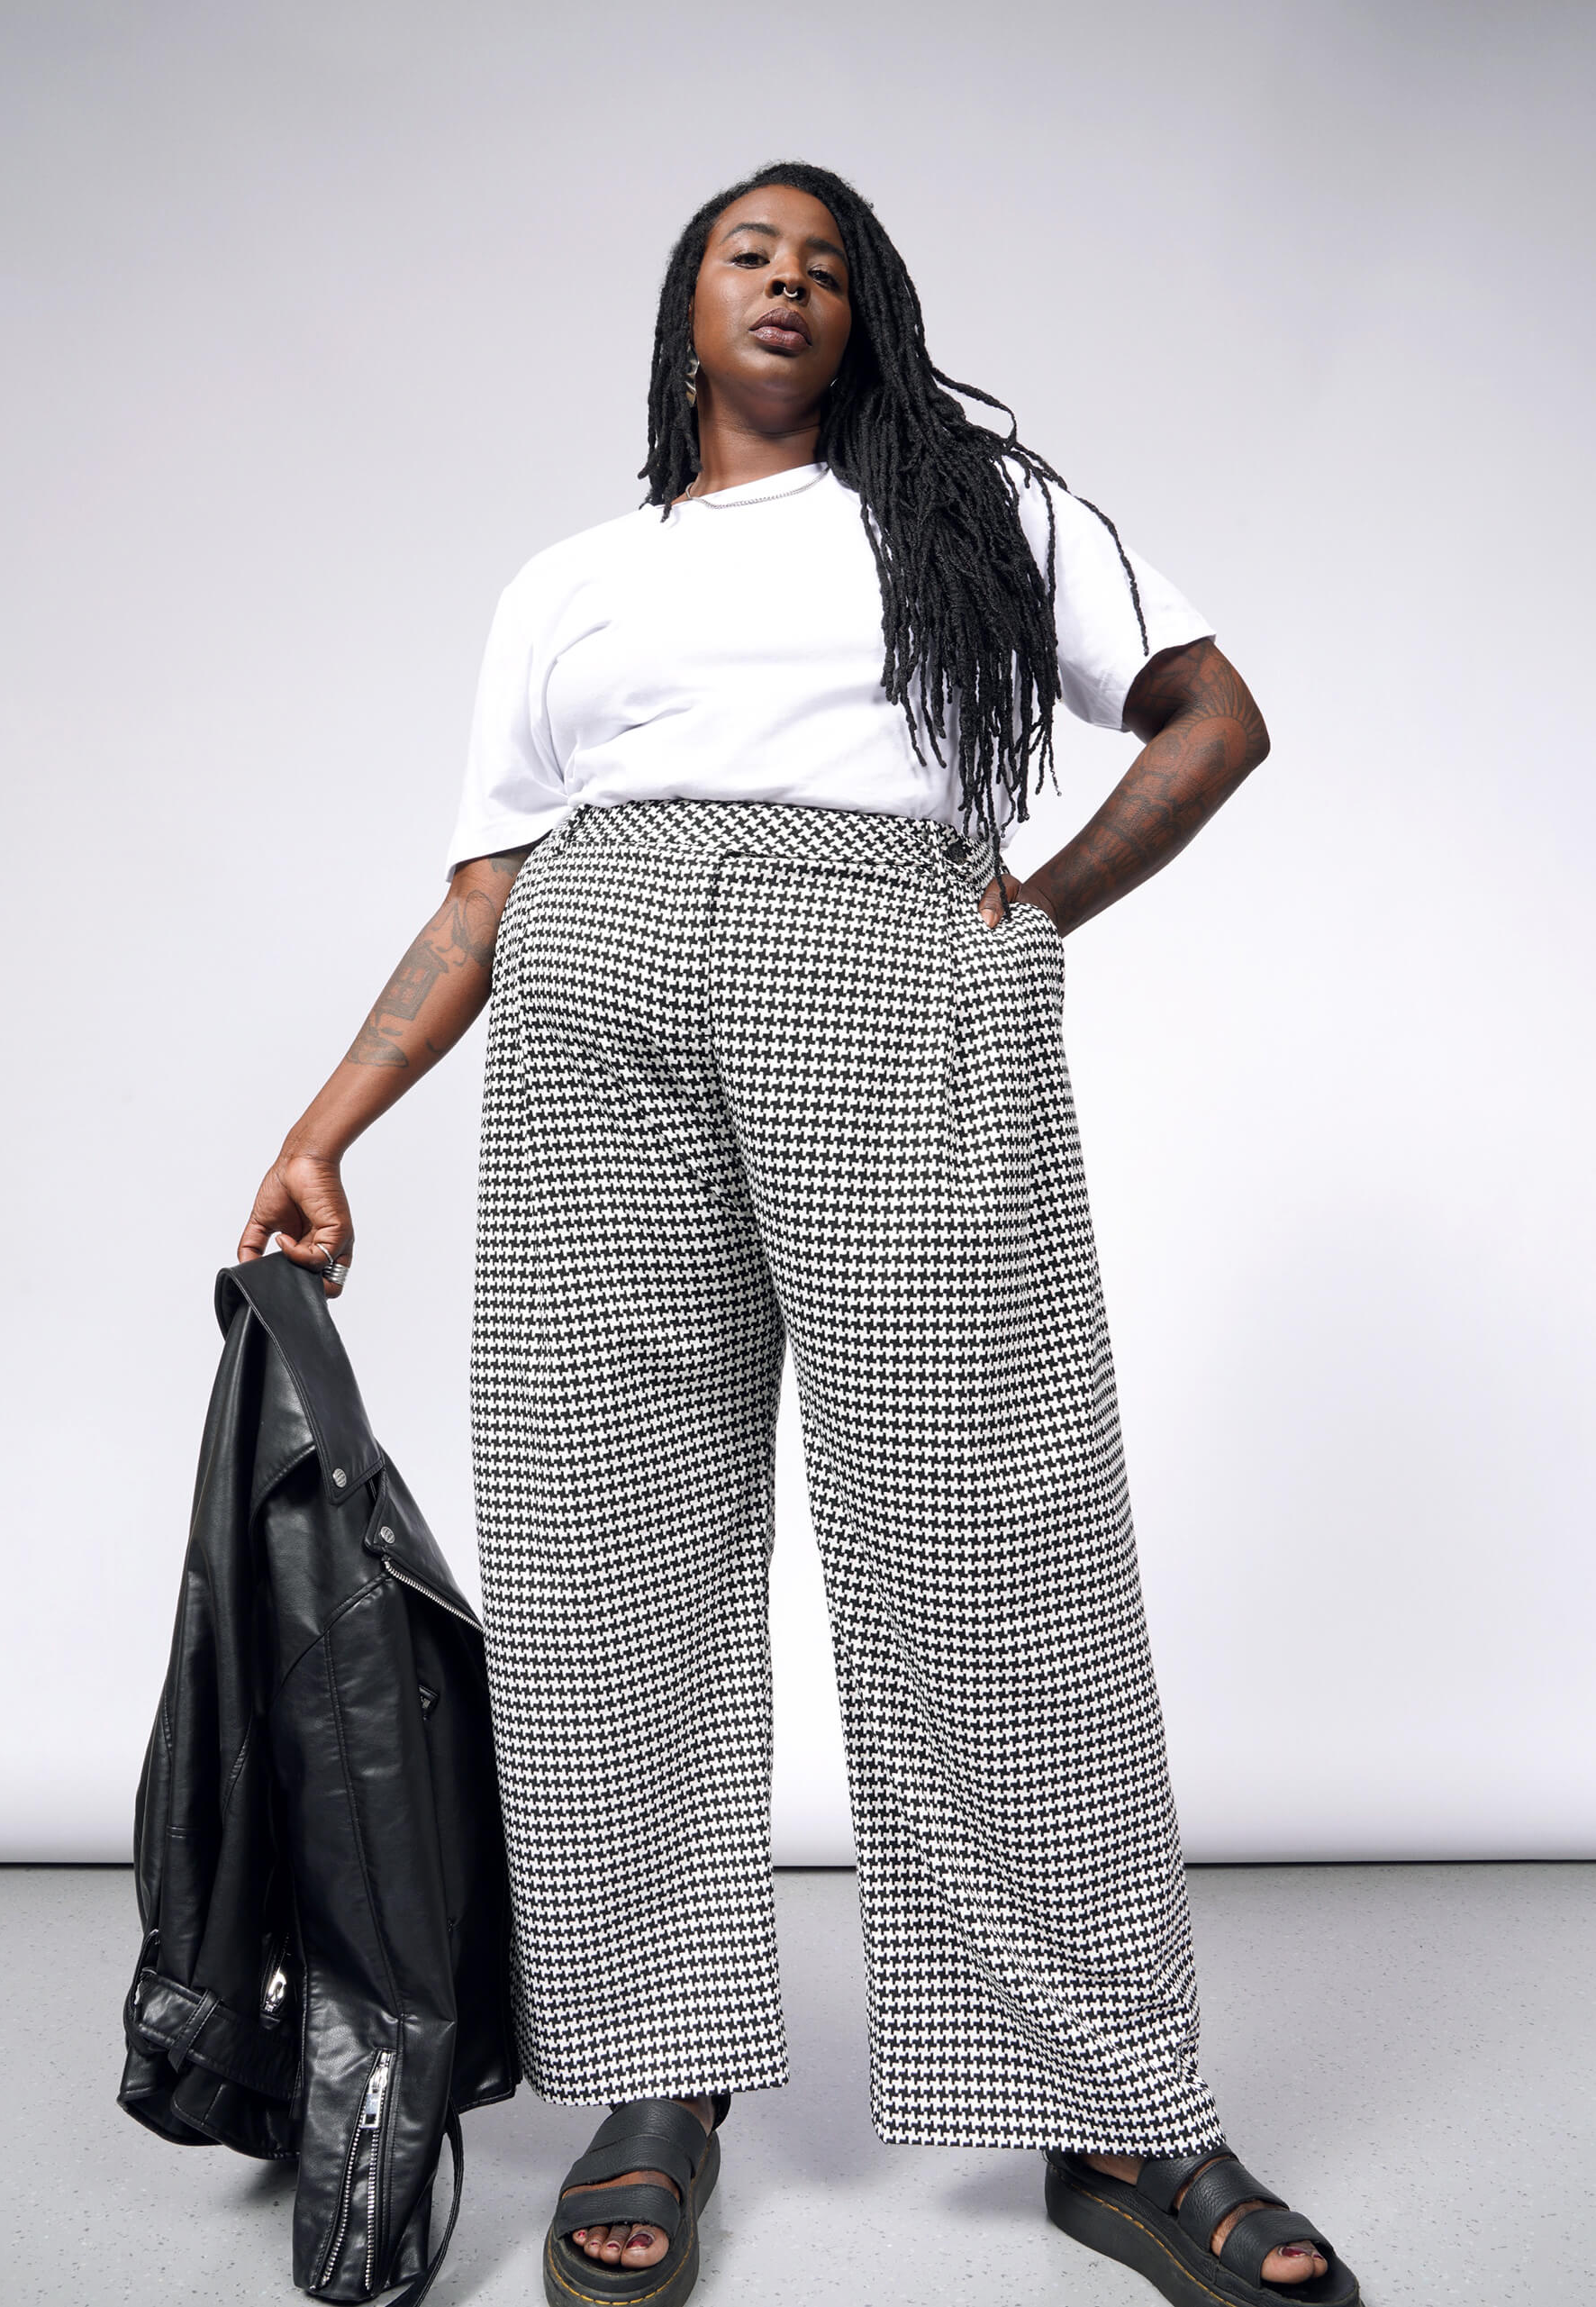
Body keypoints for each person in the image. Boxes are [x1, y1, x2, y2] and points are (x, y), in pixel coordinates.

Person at [240, 162, 1357, 2307]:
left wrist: (1018, 916)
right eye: (752, 254)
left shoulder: (986, 512)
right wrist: (326, 1123)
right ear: (685, 312)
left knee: (988, 1527)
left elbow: (1218, 717)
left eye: (829, 264)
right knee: (604, 1537)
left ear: (868, 317)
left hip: (888, 971)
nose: (793, 282)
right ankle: (652, 2071)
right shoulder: (571, 580)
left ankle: (1119, 2109)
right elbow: (488, 888)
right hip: (596, 989)